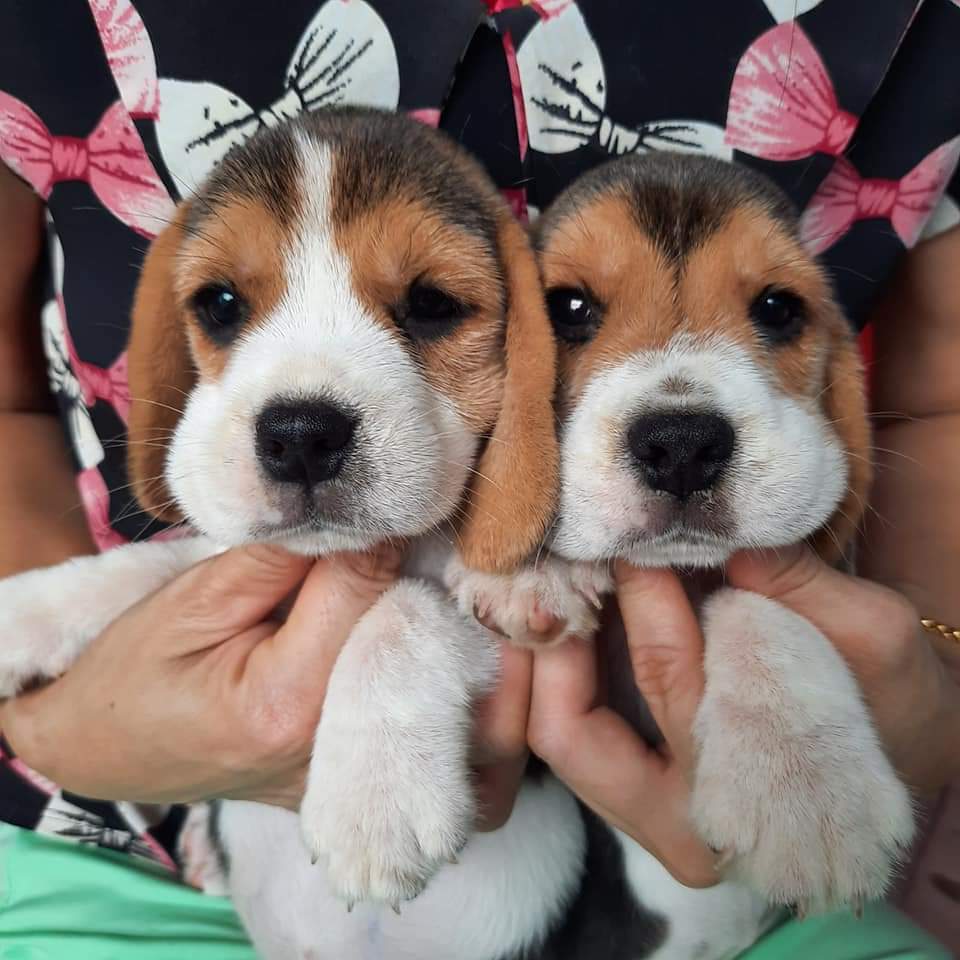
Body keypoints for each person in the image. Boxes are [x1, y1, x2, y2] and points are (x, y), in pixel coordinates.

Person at [1, 0, 959, 956]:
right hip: (104, 844)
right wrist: (57, 732)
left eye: (429, 304)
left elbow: (938, 404)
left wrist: (934, 671)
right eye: (221, 302)